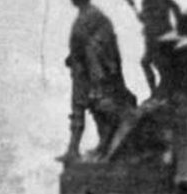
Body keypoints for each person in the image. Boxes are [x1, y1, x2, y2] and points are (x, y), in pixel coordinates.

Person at [58, 0, 137, 164]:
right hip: (82, 70)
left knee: (96, 107)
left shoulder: (93, 16)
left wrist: (94, 65)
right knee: (81, 108)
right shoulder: (86, 15)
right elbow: (80, 44)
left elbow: (99, 44)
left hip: (93, 73)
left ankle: (104, 143)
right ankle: (75, 149)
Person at [128, 0, 182, 95]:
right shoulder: (146, 3)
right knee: (146, 62)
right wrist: (133, 7)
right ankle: (155, 91)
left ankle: (164, 90)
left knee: (160, 64)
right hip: (150, 36)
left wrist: (179, 26)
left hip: (160, 35)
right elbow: (144, 19)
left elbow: (174, 9)